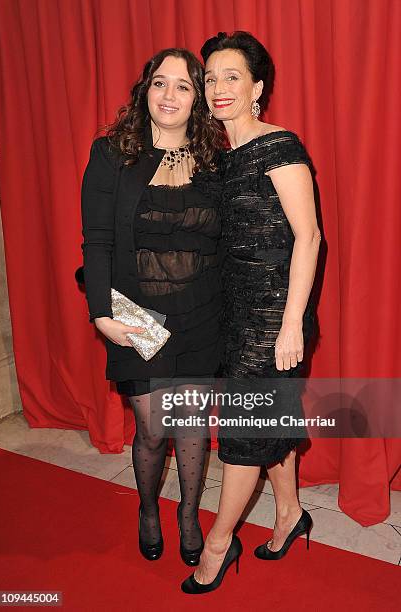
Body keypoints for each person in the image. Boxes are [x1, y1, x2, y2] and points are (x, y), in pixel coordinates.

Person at [181, 31, 321, 594]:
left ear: (257, 87)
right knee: (267, 421)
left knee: (242, 432)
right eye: (210, 78)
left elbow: (308, 237)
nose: (217, 88)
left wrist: (291, 324)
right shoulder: (215, 157)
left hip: (271, 316)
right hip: (229, 311)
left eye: (231, 76)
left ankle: (218, 545)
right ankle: (289, 513)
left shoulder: (279, 145)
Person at [80, 48, 224, 566]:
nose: (169, 95)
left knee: (191, 427)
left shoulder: (213, 161)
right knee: (153, 428)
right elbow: (96, 240)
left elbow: (225, 242)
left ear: (197, 99)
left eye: (182, 86)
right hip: (137, 313)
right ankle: (147, 509)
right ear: (144, 91)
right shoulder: (111, 154)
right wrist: (102, 313)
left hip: (202, 312)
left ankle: (187, 515)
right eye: (159, 83)